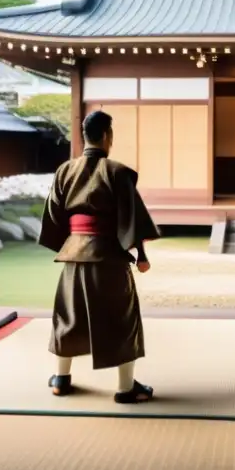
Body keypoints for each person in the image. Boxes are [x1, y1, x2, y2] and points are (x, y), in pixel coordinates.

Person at [38, 110, 162, 403]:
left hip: (74, 256)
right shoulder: (118, 172)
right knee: (121, 318)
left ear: (85, 136)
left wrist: (71, 244)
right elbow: (133, 218)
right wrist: (141, 254)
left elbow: (54, 216)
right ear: (107, 136)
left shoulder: (64, 171)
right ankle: (125, 387)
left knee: (68, 316)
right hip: (108, 257)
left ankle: (61, 379)